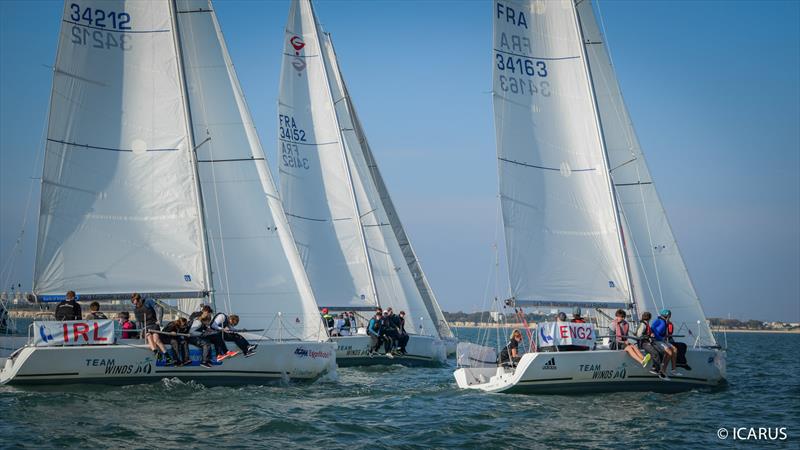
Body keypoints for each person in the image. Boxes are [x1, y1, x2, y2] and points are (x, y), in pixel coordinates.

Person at [132, 293, 171, 364]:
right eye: (134, 302)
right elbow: (138, 322)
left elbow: (160, 308)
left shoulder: (148, 301)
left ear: (139, 299)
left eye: (136, 301)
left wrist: (159, 321)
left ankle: (168, 357)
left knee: (156, 340)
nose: (135, 303)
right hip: (145, 327)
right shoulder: (135, 309)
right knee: (149, 337)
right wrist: (138, 333)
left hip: (154, 325)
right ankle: (157, 354)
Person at [635, 312, 665, 377]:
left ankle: (655, 366)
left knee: (661, 351)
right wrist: (648, 336)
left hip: (648, 342)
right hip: (643, 343)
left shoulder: (646, 324)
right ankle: (656, 369)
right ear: (649, 318)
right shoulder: (643, 325)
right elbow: (638, 335)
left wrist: (651, 335)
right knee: (655, 353)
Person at [652, 309, 679, 375]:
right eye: (669, 315)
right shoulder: (660, 321)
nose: (670, 317)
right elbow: (653, 329)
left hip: (662, 340)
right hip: (657, 340)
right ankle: (662, 370)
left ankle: (673, 369)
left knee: (675, 349)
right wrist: (659, 337)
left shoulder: (664, 321)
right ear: (667, 315)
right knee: (669, 352)